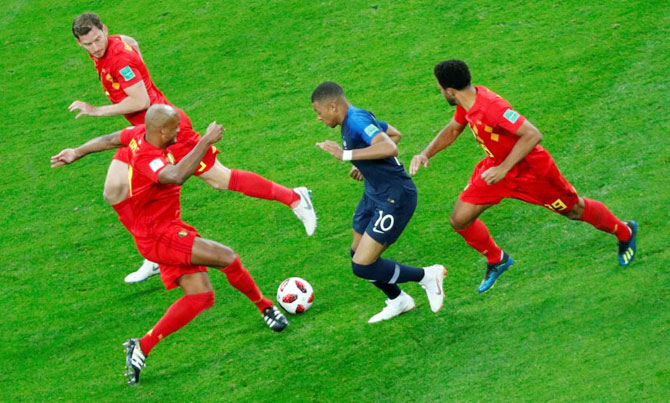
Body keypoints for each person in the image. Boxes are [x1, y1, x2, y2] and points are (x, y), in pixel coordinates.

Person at [69, 13, 316, 284]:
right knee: (115, 189)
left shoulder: (119, 59)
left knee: (219, 180)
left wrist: (97, 110)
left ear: (104, 30)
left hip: (168, 132)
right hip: (144, 135)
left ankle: (294, 198)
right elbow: (132, 41)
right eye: (88, 45)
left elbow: (138, 100)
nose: (95, 48)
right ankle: (154, 255)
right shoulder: (112, 44)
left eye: (97, 40)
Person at [51, 105, 289, 385]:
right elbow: (175, 176)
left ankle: (141, 346)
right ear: (162, 131)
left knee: (201, 297)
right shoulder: (148, 159)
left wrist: (77, 152)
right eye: (176, 127)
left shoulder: (140, 133)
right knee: (227, 257)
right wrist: (205, 141)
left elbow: (110, 138)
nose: (180, 130)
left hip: (165, 228)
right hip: (159, 236)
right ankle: (265, 307)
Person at [410, 60, 638, 293]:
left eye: (439, 88)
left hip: (532, 173)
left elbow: (532, 134)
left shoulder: (491, 108)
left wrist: (504, 168)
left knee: (574, 210)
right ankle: (497, 259)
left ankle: (625, 231)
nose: (440, 92)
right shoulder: (466, 101)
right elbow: (453, 128)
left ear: (449, 90)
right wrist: (426, 153)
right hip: (495, 170)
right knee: (460, 219)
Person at [312, 82, 446, 324]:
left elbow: (390, 146)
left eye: (319, 113)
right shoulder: (353, 119)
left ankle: (428, 275)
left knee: (362, 266)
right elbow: (395, 133)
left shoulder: (355, 121)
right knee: (357, 252)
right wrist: (363, 165)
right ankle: (399, 300)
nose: (319, 118)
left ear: (332, 106)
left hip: (395, 197)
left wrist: (346, 155)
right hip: (373, 193)